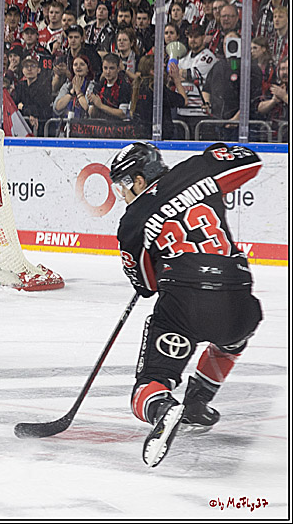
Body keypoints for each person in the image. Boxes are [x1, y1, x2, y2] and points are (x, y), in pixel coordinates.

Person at [109, 141, 263, 467]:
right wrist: (213, 157)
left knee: (150, 382)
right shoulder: (196, 169)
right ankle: (197, 401)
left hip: (183, 306)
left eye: (123, 185)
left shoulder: (132, 220)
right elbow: (250, 162)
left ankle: (163, 406)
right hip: (237, 298)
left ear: (139, 180)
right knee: (233, 338)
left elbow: (147, 286)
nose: (122, 195)